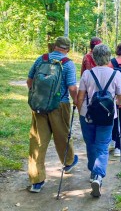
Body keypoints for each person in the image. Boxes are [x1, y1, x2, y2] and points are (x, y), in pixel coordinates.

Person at [27, 36, 78, 193]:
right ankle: (68, 162)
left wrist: (37, 96)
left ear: (55, 46)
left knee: (38, 141)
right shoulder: (68, 64)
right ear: (67, 49)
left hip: (39, 105)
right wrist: (76, 101)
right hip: (60, 105)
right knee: (62, 135)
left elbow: (30, 81)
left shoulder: (40, 59)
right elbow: (72, 88)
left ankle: (36, 181)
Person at [77, 43, 121, 197]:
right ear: (108, 57)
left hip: (88, 115)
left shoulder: (87, 74)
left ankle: (93, 172)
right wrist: (114, 106)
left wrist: (81, 112)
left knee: (90, 144)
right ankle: (98, 176)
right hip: (108, 116)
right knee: (103, 146)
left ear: (94, 57)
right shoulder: (116, 74)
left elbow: (80, 97)